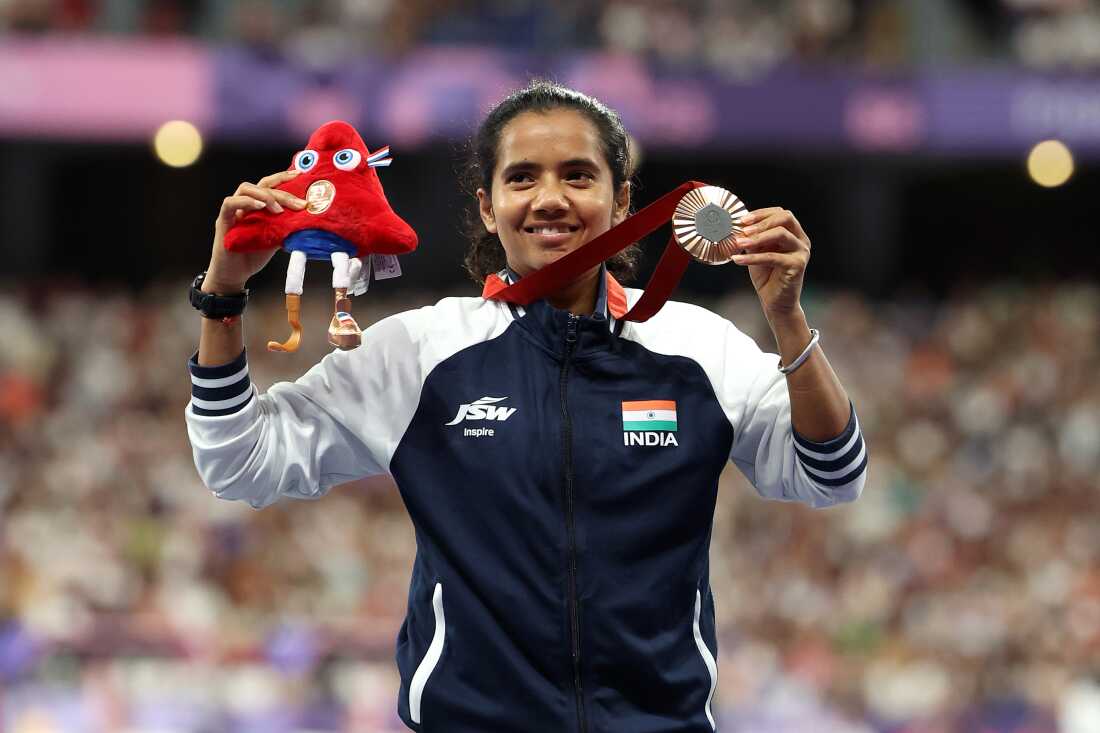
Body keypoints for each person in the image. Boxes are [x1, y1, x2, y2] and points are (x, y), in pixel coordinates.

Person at [185, 81, 866, 732]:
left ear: (621, 198)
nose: (550, 199)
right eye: (522, 178)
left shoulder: (699, 349)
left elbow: (832, 474)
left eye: (578, 175)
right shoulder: (420, 351)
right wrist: (223, 294)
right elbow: (239, 460)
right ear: (488, 206)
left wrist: (789, 321)